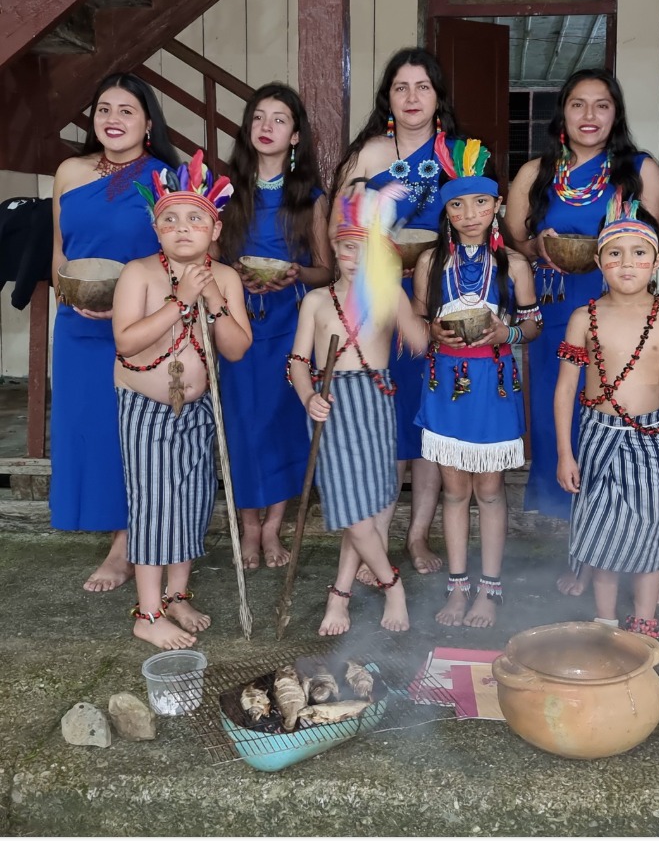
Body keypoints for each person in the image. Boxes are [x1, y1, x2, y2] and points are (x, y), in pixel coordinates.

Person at [503, 68, 659, 597]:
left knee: (608, 423)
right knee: (562, 423)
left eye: (602, 105)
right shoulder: (536, 172)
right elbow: (515, 238)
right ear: (563, 113)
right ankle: (582, 549)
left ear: (616, 113)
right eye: (578, 104)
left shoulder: (638, 169)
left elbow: (656, 242)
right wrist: (537, 247)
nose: (589, 115)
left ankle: (610, 556)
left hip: (615, 311)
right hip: (554, 308)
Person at [555, 199, 659, 636]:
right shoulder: (583, 318)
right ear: (599, 262)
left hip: (647, 438)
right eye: (615, 253)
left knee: (647, 529)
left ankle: (645, 621)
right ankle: (606, 622)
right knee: (601, 529)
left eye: (639, 253)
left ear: (658, 260)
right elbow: (566, 389)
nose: (627, 263)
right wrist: (565, 454)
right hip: (595, 434)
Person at [112, 153, 252, 649]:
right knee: (154, 503)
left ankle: (176, 595)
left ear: (215, 229)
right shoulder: (138, 273)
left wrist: (212, 298)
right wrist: (181, 302)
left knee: (191, 501)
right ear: (156, 230)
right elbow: (126, 342)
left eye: (196, 218)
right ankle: (147, 613)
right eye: (170, 220)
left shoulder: (225, 278)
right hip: (145, 408)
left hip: (198, 409)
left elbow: (236, 349)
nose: (183, 228)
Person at [331, 47, 462, 579]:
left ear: (438, 97)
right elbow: (340, 227)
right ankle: (378, 538)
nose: (412, 97)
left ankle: (418, 534)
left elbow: (479, 223)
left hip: (442, 294)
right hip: (378, 295)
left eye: (422, 87)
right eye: (401, 87)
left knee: (428, 422)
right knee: (386, 423)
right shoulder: (368, 154)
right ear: (388, 97)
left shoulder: (458, 156)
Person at [50, 72, 181, 593]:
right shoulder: (70, 171)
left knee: (129, 432)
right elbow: (60, 246)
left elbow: (182, 251)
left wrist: (134, 306)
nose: (112, 119)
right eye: (104, 109)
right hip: (76, 323)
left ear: (148, 123)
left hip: (138, 324)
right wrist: (66, 291)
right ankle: (110, 524)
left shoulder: (165, 178)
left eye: (127, 110)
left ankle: (126, 545)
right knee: (87, 427)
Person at [287, 184, 430, 635]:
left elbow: (420, 343)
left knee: (365, 508)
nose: (355, 258)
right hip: (330, 405)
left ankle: (340, 595)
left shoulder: (389, 296)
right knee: (350, 508)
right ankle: (392, 585)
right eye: (348, 247)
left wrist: (395, 289)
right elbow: (297, 362)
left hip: (375, 401)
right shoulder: (316, 301)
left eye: (367, 250)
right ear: (335, 249)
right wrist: (308, 396)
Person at [412, 140, 541, 629]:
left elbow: (533, 324)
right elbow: (418, 318)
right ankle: (457, 586)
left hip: (494, 385)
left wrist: (508, 333)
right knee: (453, 491)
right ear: (445, 210)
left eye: (481, 202)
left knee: (489, 489)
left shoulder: (514, 265)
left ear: (497, 205)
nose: (469, 215)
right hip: (446, 384)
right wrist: (431, 330)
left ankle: (490, 589)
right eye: (457, 205)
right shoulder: (431, 264)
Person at [216, 83, 332, 571]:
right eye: (259, 117)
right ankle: (248, 526)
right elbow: (205, 256)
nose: (267, 127)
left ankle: (272, 527)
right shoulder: (225, 192)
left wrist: (297, 273)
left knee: (283, 424)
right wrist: (231, 274)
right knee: (243, 424)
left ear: (295, 135)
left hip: (289, 325)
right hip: (237, 325)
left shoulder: (310, 197)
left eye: (279, 119)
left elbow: (326, 270)